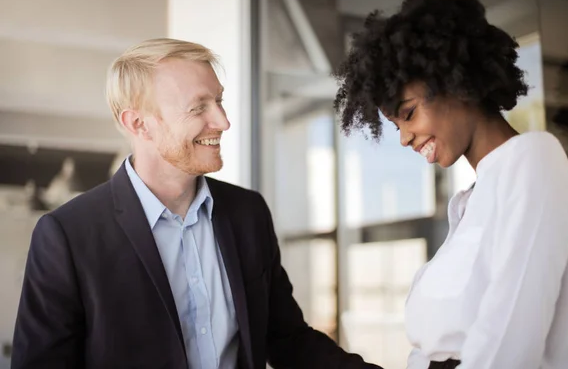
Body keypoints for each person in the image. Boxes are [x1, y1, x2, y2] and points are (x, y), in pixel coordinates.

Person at [12, 38, 382, 369]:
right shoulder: (68, 235)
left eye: (218, 101)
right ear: (139, 124)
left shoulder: (248, 213)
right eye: (198, 108)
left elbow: (289, 340)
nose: (222, 121)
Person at [332, 0, 568, 369]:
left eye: (408, 114)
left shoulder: (535, 161)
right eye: (395, 125)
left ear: (457, 84)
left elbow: (511, 342)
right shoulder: (470, 202)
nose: (403, 138)